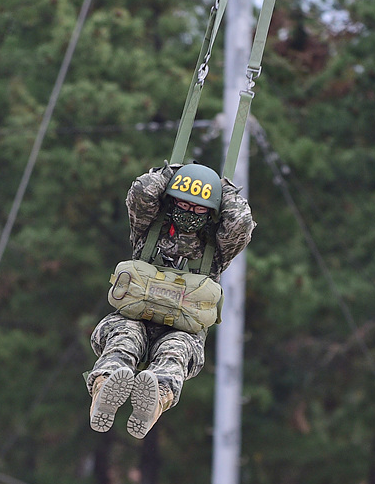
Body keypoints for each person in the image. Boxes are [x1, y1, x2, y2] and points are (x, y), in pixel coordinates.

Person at [85, 162, 254, 438]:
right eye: (185, 205)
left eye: (200, 208)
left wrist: (223, 191)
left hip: (182, 332)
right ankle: (105, 388)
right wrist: (167, 175)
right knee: (124, 339)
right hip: (132, 320)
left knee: (174, 352)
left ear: (211, 212)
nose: (191, 213)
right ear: (172, 202)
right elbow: (140, 193)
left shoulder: (217, 248)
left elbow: (241, 223)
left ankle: (154, 399)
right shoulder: (148, 231)